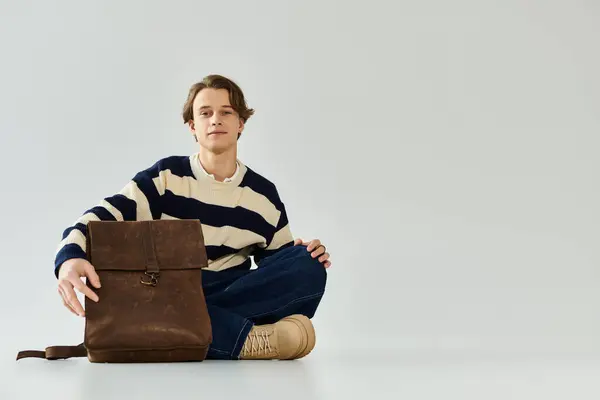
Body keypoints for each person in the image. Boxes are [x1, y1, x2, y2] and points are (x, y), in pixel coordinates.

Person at [53, 74, 330, 360]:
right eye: (205, 113)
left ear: (240, 124)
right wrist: (69, 259)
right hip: (167, 292)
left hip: (230, 291)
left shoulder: (264, 195)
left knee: (307, 264)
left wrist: (306, 253)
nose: (215, 120)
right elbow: (101, 217)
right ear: (193, 127)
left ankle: (187, 331)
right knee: (148, 303)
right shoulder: (165, 178)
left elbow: (278, 266)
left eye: (226, 112)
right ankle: (250, 340)